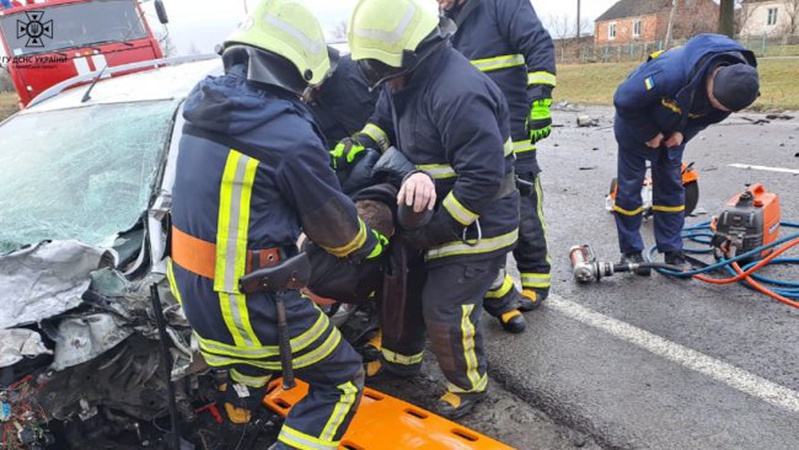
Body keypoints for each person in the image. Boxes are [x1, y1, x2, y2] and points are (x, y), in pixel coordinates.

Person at [166, 1, 388, 449]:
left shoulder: (204, 108)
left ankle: (240, 404)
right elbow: (337, 231)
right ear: (300, 71)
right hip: (249, 306)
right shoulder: (285, 131)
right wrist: (372, 245)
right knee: (342, 380)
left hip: (194, 298)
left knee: (252, 360)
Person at [347, 0, 520, 419]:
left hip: (478, 220)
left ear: (414, 51)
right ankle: (401, 362)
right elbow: (384, 118)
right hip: (431, 209)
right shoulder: (404, 79)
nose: (385, 81)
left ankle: (468, 385)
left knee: (443, 306)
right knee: (404, 287)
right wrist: (363, 145)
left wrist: (437, 230)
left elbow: (481, 180)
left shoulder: (459, 93)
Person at [439, 0, 557, 332]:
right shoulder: (447, 20)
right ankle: (493, 284)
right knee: (485, 213)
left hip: (513, 130)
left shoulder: (502, 4)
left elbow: (538, 43)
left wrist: (541, 98)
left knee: (522, 208)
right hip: (475, 138)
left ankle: (536, 281)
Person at [613, 33, 759, 272]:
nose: (718, 111)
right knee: (630, 188)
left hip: (674, 132)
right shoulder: (669, 73)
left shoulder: (739, 84)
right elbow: (623, 100)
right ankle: (630, 252)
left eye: (725, 109)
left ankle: (672, 251)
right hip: (636, 127)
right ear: (711, 84)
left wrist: (683, 134)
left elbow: (705, 118)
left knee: (671, 187)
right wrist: (649, 133)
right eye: (717, 104)